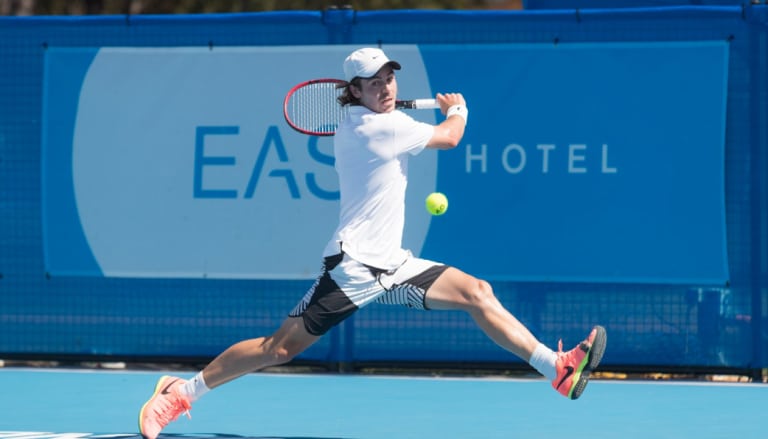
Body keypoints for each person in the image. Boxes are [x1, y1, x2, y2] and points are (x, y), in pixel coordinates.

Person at [138, 47, 607, 439]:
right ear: (354, 91)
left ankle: (558, 369)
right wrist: (459, 108)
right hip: (356, 267)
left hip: (394, 265)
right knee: (278, 348)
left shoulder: (363, 123)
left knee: (476, 292)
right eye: (373, 81)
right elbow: (450, 136)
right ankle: (181, 392)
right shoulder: (379, 127)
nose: (385, 87)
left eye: (389, 77)